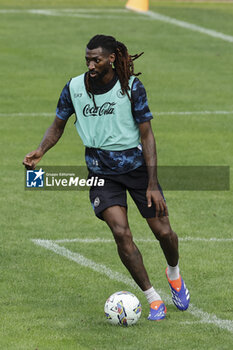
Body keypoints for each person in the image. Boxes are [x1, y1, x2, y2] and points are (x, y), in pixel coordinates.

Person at [23, 34, 190, 321]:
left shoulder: (131, 88)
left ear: (111, 58)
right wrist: (41, 151)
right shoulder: (74, 87)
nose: (91, 64)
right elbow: (58, 124)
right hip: (101, 171)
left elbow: (147, 136)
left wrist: (152, 184)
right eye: (87, 59)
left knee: (164, 232)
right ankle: (153, 299)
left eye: (96, 59)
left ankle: (173, 273)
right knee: (120, 232)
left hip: (137, 170)